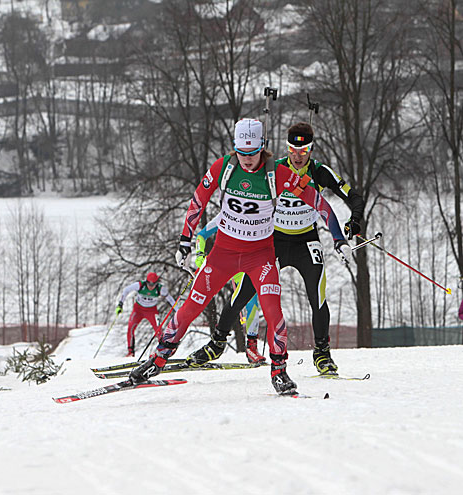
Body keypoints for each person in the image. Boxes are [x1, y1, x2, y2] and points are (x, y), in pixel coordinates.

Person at [129, 118, 351, 395]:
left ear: (263, 147)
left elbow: (322, 205)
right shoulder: (224, 167)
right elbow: (198, 200)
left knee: (272, 311)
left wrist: (339, 239)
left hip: (260, 257)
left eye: (252, 153)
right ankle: (158, 360)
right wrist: (186, 240)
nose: (246, 160)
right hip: (222, 255)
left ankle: (279, 371)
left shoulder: (278, 174)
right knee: (190, 307)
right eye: (241, 153)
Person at [187, 121, 365, 374]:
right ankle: (217, 343)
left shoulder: (319, 171)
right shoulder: (275, 170)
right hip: (274, 241)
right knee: (244, 293)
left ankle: (322, 354)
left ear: (311, 150)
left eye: (303, 152)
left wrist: (350, 226)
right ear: (287, 148)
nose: (298, 156)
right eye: (293, 150)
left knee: (318, 295)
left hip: (307, 240)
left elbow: (352, 197)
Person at [194, 216, 266, 363]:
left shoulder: (257, 210)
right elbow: (201, 236)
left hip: (245, 266)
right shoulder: (225, 214)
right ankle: (169, 344)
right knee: (200, 297)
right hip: (223, 263)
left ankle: (251, 347)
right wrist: (200, 254)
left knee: (252, 302)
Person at [116, 272, 175, 357]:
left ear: (156, 283)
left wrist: (177, 310)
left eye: (153, 284)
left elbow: (170, 300)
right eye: (149, 284)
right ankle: (130, 352)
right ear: (146, 282)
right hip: (138, 310)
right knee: (130, 327)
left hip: (151, 311)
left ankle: (164, 351)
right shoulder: (140, 285)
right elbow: (126, 290)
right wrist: (120, 304)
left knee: (159, 330)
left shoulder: (160, 289)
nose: (151, 286)